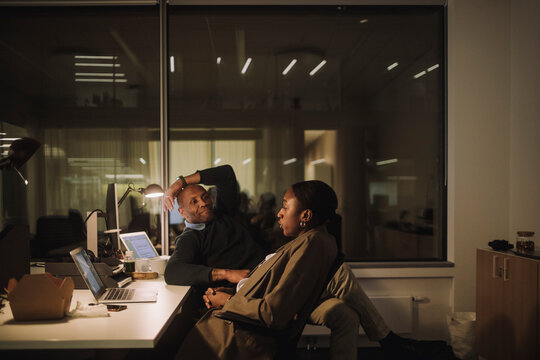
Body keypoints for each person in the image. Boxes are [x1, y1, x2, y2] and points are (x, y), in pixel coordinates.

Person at [163, 165, 449, 360]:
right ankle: (388, 340)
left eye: (204, 196)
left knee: (344, 314)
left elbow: (225, 174)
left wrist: (180, 182)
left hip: (278, 282)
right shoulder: (190, 239)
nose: (204, 203)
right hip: (260, 294)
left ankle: (387, 341)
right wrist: (227, 274)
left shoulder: (222, 213)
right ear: (182, 212)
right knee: (337, 272)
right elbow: (174, 271)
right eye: (194, 202)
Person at [174, 179, 339, 359]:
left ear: (305, 216)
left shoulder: (309, 246)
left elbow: (272, 313)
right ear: (182, 212)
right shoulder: (308, 241)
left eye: (285, 207)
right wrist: (233, 289)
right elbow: (270, 287)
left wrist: (227, 300)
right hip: (241, 313)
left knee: (166, 339)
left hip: (243, 335)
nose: (279, 214)